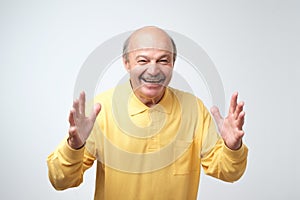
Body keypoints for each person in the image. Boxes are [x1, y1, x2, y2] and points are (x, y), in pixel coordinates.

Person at [47, 26, 248, 200]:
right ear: (127, 63)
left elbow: (229, 172)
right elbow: (61, 180)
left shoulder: (193, 109)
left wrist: (233, 147)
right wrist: (74, 146)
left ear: (173, 64)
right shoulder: (101, 109)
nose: (153, 70)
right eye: (143, 61)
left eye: (163, 60)